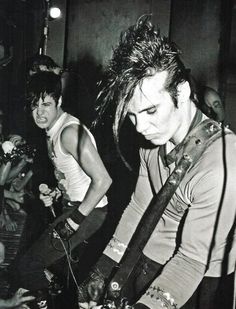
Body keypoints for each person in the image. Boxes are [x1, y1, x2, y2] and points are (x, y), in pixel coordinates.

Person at [77, 17, 236, 309]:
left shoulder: (223, 164)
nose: (140, 127)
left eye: (150, 110)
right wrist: (103, 266)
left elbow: (191, 260)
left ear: (183, 92)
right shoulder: (152, 138)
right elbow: (140, 205)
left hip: (198, 279)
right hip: (147, 258)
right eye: (132, 115)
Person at [12, 71, 112, 309]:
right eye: (34, 105)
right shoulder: (54, 131)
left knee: (28, 266)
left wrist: (75, 220)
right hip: (74, 206)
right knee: (62, 276)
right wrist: (57, 191)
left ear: (59, 102)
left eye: (46, 104)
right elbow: (77, 176)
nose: (40, 112)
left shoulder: (69, 133)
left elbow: (103, 180)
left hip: (88, 212)